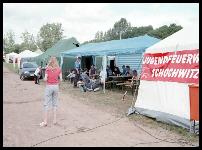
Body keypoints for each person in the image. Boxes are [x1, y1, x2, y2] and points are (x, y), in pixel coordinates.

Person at [40, 56, 62, 127]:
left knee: (46, 103)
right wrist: (57, 81)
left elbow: (45, 79)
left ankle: (45, 121)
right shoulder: (59, 69)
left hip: (49, 86)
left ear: (50, 61)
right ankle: (54, 120)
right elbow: (61, 79)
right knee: (55, 104)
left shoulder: (47, 69)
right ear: (56, 61)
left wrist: (45, 78)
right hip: (56, 86)